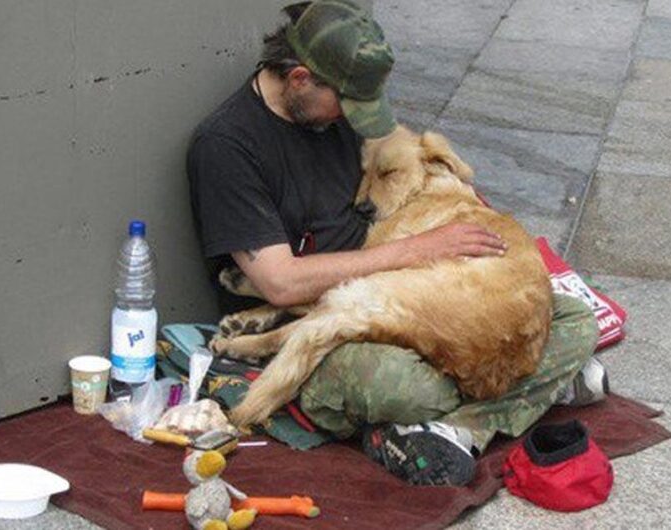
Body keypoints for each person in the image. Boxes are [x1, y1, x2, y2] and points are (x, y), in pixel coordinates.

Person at [188, 0, 608, 487]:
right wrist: (420, 249)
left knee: (573, 317)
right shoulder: (228, 146)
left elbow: (407, 171)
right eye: (348, 104)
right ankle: (501, 406)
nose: (357, 120)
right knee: (401, 385)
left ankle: (464, 424)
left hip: (407, 293)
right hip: (323, 317)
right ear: (300, 78)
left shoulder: (333, 113)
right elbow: (279, 283)